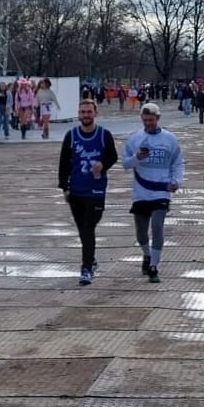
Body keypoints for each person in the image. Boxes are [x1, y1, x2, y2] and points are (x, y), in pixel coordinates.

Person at [58, 99, 119, 286]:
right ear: (78, 114)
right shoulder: (71, 136)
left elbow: (113, 156)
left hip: (96, 190)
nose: (86, 115)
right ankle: (90, 260)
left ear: (95, 113)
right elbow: (64, 163)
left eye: (89, 112)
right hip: (76, 190)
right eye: (83, 112)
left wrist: (103, 165)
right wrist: (64, 187)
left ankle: (86, 268)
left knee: (88, 227)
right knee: (83, 229)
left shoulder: (104, 135)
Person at [122, 103, 183, 284]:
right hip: (141, 192)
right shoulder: (134, 139)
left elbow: (178, 163)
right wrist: (137, 158)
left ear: (158, 119)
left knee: (157, 227)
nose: (148, 123)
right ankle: (147, 255)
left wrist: (176, 181)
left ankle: (154, 266)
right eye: (145, 120)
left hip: (161, 192)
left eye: (151, 120)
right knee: (141, 233)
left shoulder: (170, 139)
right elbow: (125, 164)